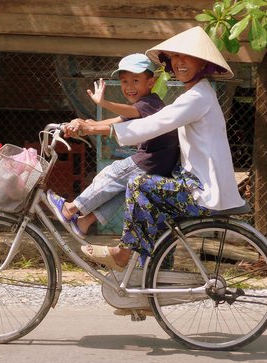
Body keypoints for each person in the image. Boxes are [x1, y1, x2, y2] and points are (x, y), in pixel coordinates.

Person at [69, 26, 247, 271]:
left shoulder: (197, 97)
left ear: (202, 63)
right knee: (155, 210)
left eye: (187, 57)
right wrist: (93, 125)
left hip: (204, 192)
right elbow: (136, 120)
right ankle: (157, 278)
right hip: (192, 182)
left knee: (138, 182)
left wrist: (93, 129)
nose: (180, 63)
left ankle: (124, 251)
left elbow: (154, 124)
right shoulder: (197, 94)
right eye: (175, 57)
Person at [47, 53, 179, 239]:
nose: (129, 87)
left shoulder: (151, 103)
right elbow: (111, 123)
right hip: (158, 166)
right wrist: (84, 125)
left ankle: (70, 209)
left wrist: (104, 103)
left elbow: (130, 112)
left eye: (135, 80)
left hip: (149, 162)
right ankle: (84, 223)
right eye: (124, 81)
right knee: (118, 190)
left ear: (151, 82)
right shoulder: (142, 104)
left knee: (112, 173)